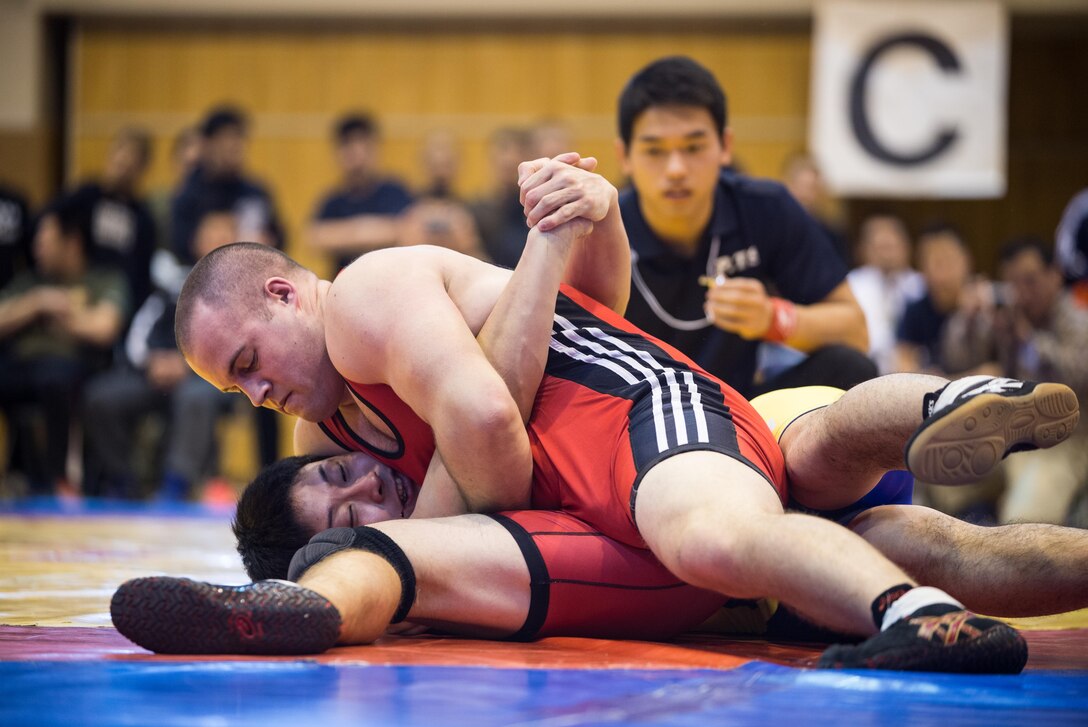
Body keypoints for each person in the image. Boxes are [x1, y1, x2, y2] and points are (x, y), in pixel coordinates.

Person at [146, 157, 1054, 673]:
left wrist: (419, 547)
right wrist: (567, 244)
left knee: (782, 474)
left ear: (283, 293)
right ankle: (943, 444)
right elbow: (593, 309)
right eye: (238, 392)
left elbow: (496, 432)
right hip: (599, 505)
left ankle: (917, 589)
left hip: (645, 417)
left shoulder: (362, 300)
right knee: (918, 536)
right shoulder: (321, 429)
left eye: (251, 364)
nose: (257, 397)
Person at [615, 56, 876, 398]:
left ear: (725, 146)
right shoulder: (603, 228)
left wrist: (772, 318)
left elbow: (855, 331)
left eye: (694, 147)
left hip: (740, 409)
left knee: (851, 368)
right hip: (635, 413)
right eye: (655, 150)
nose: (676, 169)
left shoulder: (765, 207)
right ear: (625, 157)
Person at [940, 238, 1088, 525]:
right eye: (1013, 284)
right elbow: (959, 360)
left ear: (1054, 275)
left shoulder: (1078, 320)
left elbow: (1079, 375)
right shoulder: (1008, 315)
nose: (1021, 293)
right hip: (1007, 434)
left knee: (1024, 519)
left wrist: (1029, 342)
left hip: (1064, 443)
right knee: (938, 484)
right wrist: (969, 321)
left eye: (1030, 281)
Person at [0, 195, 129, 493]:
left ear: (71, 242)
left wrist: (63, 313)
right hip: (21, 365)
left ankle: (58, 479)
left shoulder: (103, 280)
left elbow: (104, 327)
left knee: (55, 379)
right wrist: (36, 304)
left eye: (44, 239)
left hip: (74, 367)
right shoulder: (29, 283)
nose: (36, 248)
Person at [171, 105, 285, 265]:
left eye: (238, 138)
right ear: (206, 144)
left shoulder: (256, 191)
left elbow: (279, 238)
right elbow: (181, 246)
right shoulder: (189, 194)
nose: (233, 146)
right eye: (225, 138)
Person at [307, 113, 414, 272]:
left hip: (390, 281)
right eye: (349, 146)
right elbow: (315, 238)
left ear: (375, 148)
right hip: (344, 284)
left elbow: (410, 231)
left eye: (364, 146)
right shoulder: (333, 200)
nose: (357, 154)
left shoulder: (395, 192)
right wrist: (376, 229)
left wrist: (345, 234)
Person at [67, 127, 157, 311]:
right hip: (80, 285)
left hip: (119, 297)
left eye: (130, 163)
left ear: (140, 169)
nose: (123, 167)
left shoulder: (142, 217)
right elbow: (53, 225)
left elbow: (141, 274)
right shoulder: (87, 195)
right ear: (110, 157)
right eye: (119, 158)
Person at [847, 213, 925, 375]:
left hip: (917, 369)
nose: (886, 255)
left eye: (891, 247)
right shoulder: (852, 284)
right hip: (865, 367)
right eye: (880, 248)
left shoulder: (921, 285)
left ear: (906, 247)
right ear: (865, 250)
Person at [470, 127, 533, 268]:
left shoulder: (537, 210)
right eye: (504, 149)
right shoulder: (473, 210)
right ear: (491, 157)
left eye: (519, 151)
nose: (510, 159)